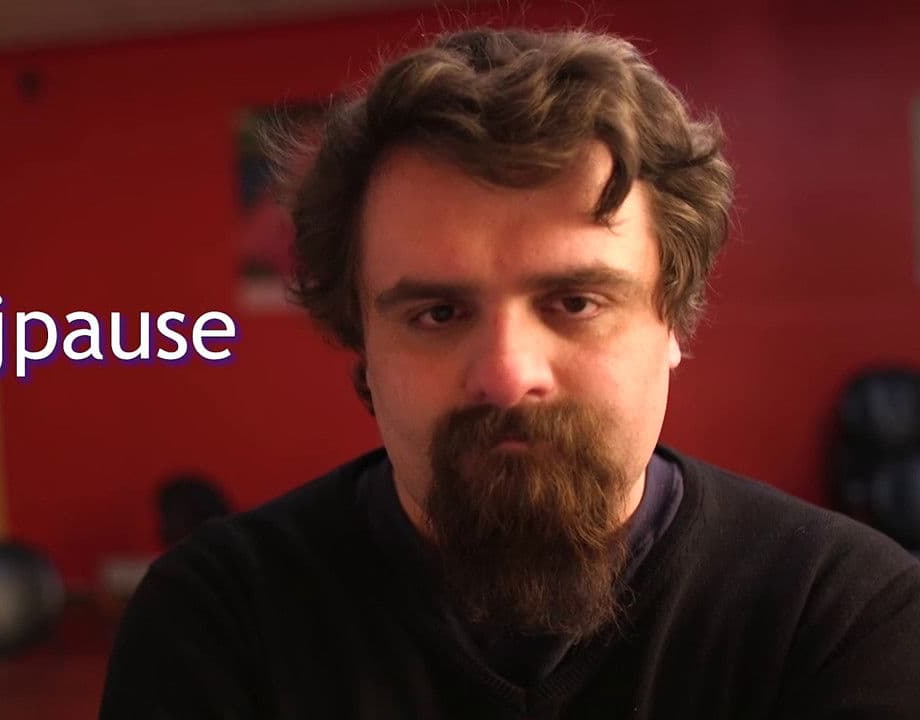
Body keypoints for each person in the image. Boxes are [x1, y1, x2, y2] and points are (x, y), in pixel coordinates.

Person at [100, 27, 920, 718]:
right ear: (363, 346)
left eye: (575, 302)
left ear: (672, 318)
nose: (506, 374)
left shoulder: (843, 616)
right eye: (438, 313)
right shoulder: (219, 619)